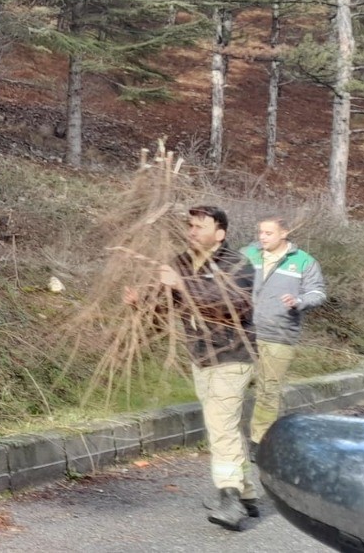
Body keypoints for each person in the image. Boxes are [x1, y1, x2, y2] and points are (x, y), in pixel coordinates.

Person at [125, 205, 257, 530]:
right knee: (223, 426)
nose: (192, 232)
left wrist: (182, 285)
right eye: (191, 226)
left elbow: (234, 305)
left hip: (233, 355)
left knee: (221, 425)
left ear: (220, 233)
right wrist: (141, 304)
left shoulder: (238, 264)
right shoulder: (181, 263)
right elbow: (166, 309)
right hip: (201, 357)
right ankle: (247, 495)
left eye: (200, 226)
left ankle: (230, 501)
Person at [245, 217, 328, 455]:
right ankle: (227, 438)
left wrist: (299, 301)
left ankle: (259, 441)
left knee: (268, 390)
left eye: (268, 233)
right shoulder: (248, 254)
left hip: (279, 335)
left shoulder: (303, 261)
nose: (262, 237)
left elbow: (317, 292)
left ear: (284, 233)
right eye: (261, 232)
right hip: (243, 331)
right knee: (231, 384)